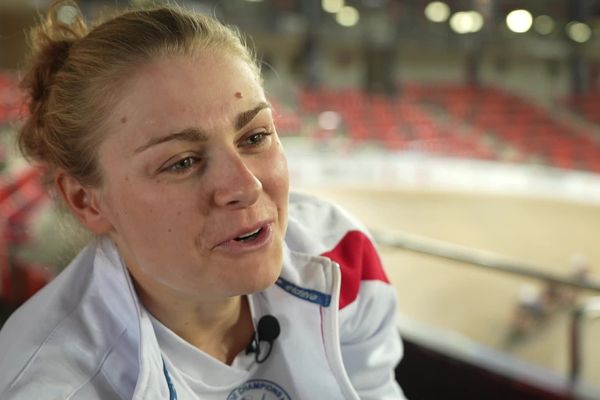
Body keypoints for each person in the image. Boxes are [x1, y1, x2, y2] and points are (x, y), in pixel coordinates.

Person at [0, 2, 405, 399]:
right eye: (183, 162)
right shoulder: (50, 384)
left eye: (255, 137)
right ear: (87, 201)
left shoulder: (341, 258)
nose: (245, 187)